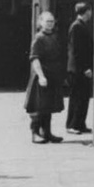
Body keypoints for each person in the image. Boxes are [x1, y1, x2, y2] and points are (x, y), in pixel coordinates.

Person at [24, 11, 66, 144]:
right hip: (42, 76)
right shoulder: (39, 38)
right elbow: (34, 59)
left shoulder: (54, 36)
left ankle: (47, 132)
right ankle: (35, 133)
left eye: (52, 21)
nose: (50, 24)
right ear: (41, 22)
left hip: (53, 75)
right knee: (39, 106)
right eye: (47, 21)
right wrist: (41, 76)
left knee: (48, 106)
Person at [65, 2, 93, 134]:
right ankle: (72, 124)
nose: (91, 14)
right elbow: (76, 51)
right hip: (78, 69)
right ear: (86, 11)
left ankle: (80, 123)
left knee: (83, 97)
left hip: (80, 68)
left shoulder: (81, 26)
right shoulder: (77, 27)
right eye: (90, 11)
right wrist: (84, 68)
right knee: (77, 97)